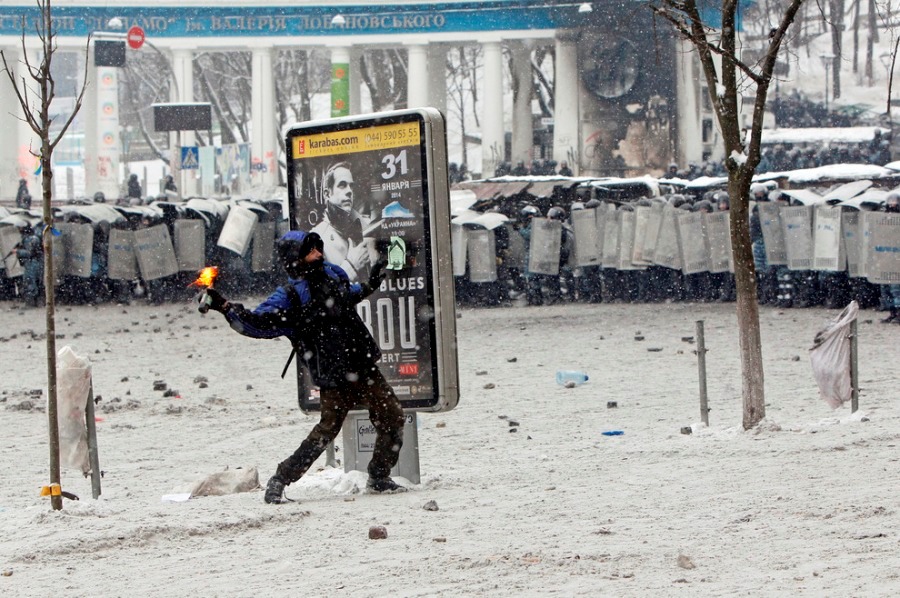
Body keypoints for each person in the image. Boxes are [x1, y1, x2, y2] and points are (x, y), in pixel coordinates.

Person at [200, 230, 407, 503]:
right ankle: (281, 478)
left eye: (318, 249)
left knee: (392, 417)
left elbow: (348, 295)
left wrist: (373, 281)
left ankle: (379, 476)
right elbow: (255, 323)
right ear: (295, 258)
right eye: (310, 251)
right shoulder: (289, 296)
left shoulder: (333, 275)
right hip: (333, 374)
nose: (318, 255)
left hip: (362, 364)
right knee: (326, 432)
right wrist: (225, 306)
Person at [311, 161, 375, 282]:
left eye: (351, 186)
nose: (349, 191)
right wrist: (351, 267)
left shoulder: (364, 227)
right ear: (327, 194)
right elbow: (319, 293)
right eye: (342, 185)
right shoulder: (316, 238)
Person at [15, 224, 43, 307]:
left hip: (32, 263)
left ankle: (31, 302)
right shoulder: (34, 238)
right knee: (36, 282)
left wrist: (18, 252)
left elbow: (30, 253)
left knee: (30, 282)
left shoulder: (30, 239)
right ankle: (37, 301)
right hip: (36, 263)